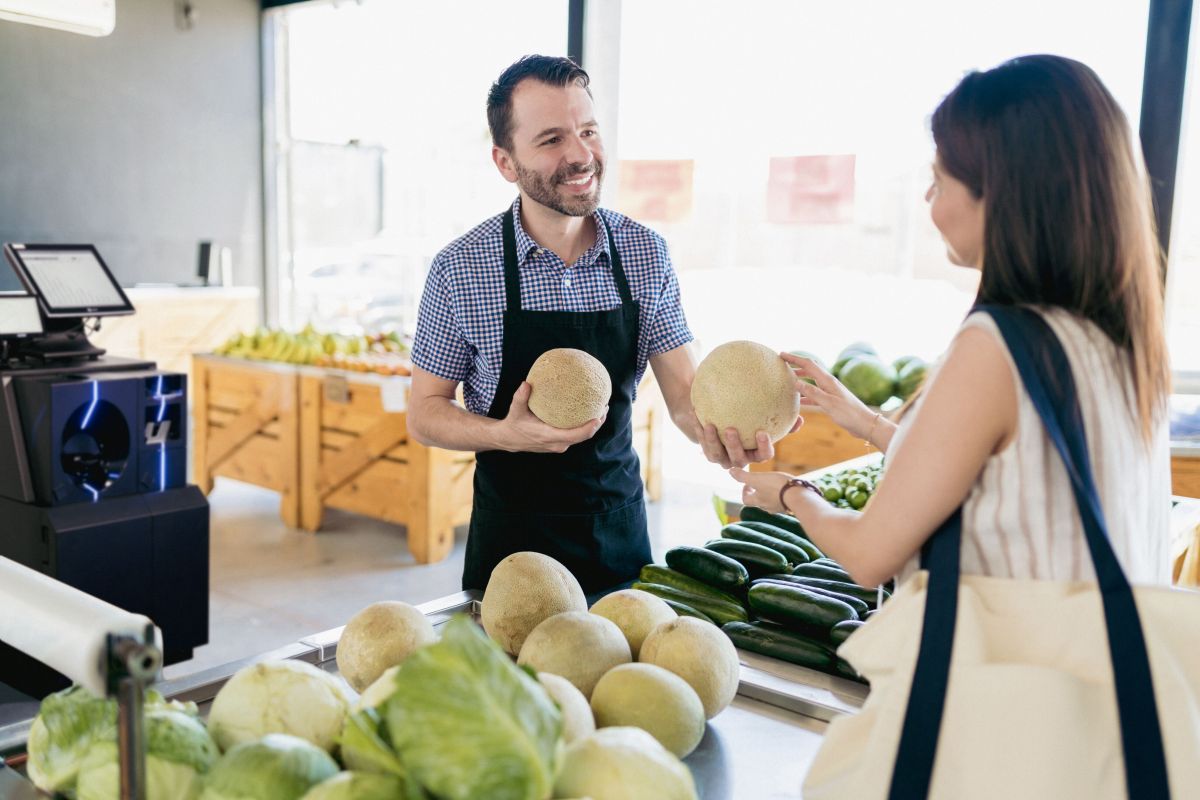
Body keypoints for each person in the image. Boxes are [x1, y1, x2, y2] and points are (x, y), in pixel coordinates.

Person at [731, 54, 1172, 587]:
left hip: (1005, 666)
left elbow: (871, 554)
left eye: (939, 180)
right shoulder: (1114, 337)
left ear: (1003, 193)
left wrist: (792, 493)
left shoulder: (997, 345)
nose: (927, 198)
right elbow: (1015, 480)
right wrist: (868, 422)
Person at [408, 55, 783, 594]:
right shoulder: (460, 268)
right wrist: (505, 435)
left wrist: (719, 436)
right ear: (505, 162)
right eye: (552, 139)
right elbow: (424, 414)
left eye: (588, 131)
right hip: (511, 544)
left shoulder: (645, 253)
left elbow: (684, 397)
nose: (581, 155)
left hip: (617, 532)